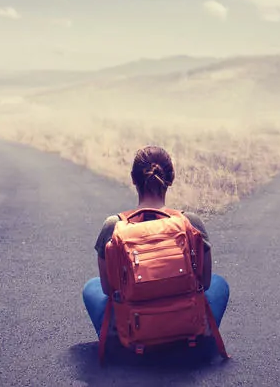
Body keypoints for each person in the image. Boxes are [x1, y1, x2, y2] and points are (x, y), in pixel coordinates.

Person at [82, 145, 229, 342]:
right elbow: (206, 282)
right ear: (171, 179)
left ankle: (117, 340)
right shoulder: (191, 223)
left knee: (92, 287)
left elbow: (109, 289)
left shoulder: (113, 226)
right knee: (220, 284)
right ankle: (195, 335)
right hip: (185, 324)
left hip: (134, 325)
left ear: (133, 179)